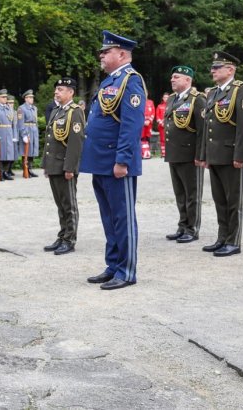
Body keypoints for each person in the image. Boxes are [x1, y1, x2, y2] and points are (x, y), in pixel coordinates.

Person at [81, 31, 146, 290]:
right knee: (109, 217)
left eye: (106, 51)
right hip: (101, 161)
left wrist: (123, 160)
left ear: (121, 54)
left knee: (122, 217)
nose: (101, 55)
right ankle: (113, 265)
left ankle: (126, 271)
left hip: (117, 163)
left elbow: (131, 125)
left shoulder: (130, 81)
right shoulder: (111, 81)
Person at [199, 52, 243, 257]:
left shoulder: (240, 89)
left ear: (230, 70)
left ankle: (233, 241)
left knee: (233, 201)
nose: (212, 71)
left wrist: (240, 155)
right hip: (216, 154)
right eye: (212, 67)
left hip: (231, 154)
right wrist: (205, 155)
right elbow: (208, 126)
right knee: (220, 200)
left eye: (217, 67)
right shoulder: (213, 92)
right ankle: (222, 237)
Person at [163, 66, 206, 243]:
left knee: (192, 194)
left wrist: (200, 155)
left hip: (190, 154)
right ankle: (182, 225)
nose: (172, 80)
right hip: (174, 152)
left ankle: (192, 228)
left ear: (188, 80)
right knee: (180, 193)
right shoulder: (172, 99)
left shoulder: (197, 99)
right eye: (172, 77)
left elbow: (203, 130)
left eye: (176, 77)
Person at [43, 77, 86, 255]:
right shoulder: (56, 110)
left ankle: (70, 239)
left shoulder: (74, 112)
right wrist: (46, 165)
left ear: (71, 92)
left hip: (64, 166)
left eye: (60, 89)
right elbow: (50, 140)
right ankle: (62, 236)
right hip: (54, 165)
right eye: (56, 89)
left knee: (69, 205)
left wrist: (70, 168)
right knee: (60, 204)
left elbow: (76, 143)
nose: (56, 92)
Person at [0, 89, 17, 180]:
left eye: (6, 97)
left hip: (9, 133)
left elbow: (13, 124)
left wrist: (14, 135)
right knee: (1, 154)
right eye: (3, 97)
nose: (5, 98)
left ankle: (5, 172)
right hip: (0, 133)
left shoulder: (9, 108)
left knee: (9, 154)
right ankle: (0, 172)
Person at [18, 89, 40, 177]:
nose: (32, 99)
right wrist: (23, 135)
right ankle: (25, 169)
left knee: (32, 151)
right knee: (26, 151)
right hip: (27, 130)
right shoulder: (21, 108)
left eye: (32, 97)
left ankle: (30, 169)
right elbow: (20, 123)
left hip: (34, 130)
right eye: (30, 97)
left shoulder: (34, 108)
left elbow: (36, 121)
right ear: (26, 98)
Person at [155, 93, 168, 157]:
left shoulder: (171, 105)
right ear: (163, 98)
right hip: (161, 126)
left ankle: (168, 153)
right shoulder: (159, 106)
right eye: (165, 97)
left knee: (168, 139)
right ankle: (163, 153)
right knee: (162, 139)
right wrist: (161, 123)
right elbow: (157, 116)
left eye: (167, 97)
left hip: (168, 125)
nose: (166, 98)